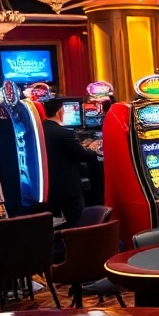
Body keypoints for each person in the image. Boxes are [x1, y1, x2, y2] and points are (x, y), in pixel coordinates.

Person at [41, 97, 99, 227]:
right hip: (67, 186)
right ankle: (76, 244)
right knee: (75, 220)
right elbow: (83, 155)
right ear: (59, 112)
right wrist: (93, 148)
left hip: (49, 185)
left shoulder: (41, 129)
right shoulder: (63, 133)